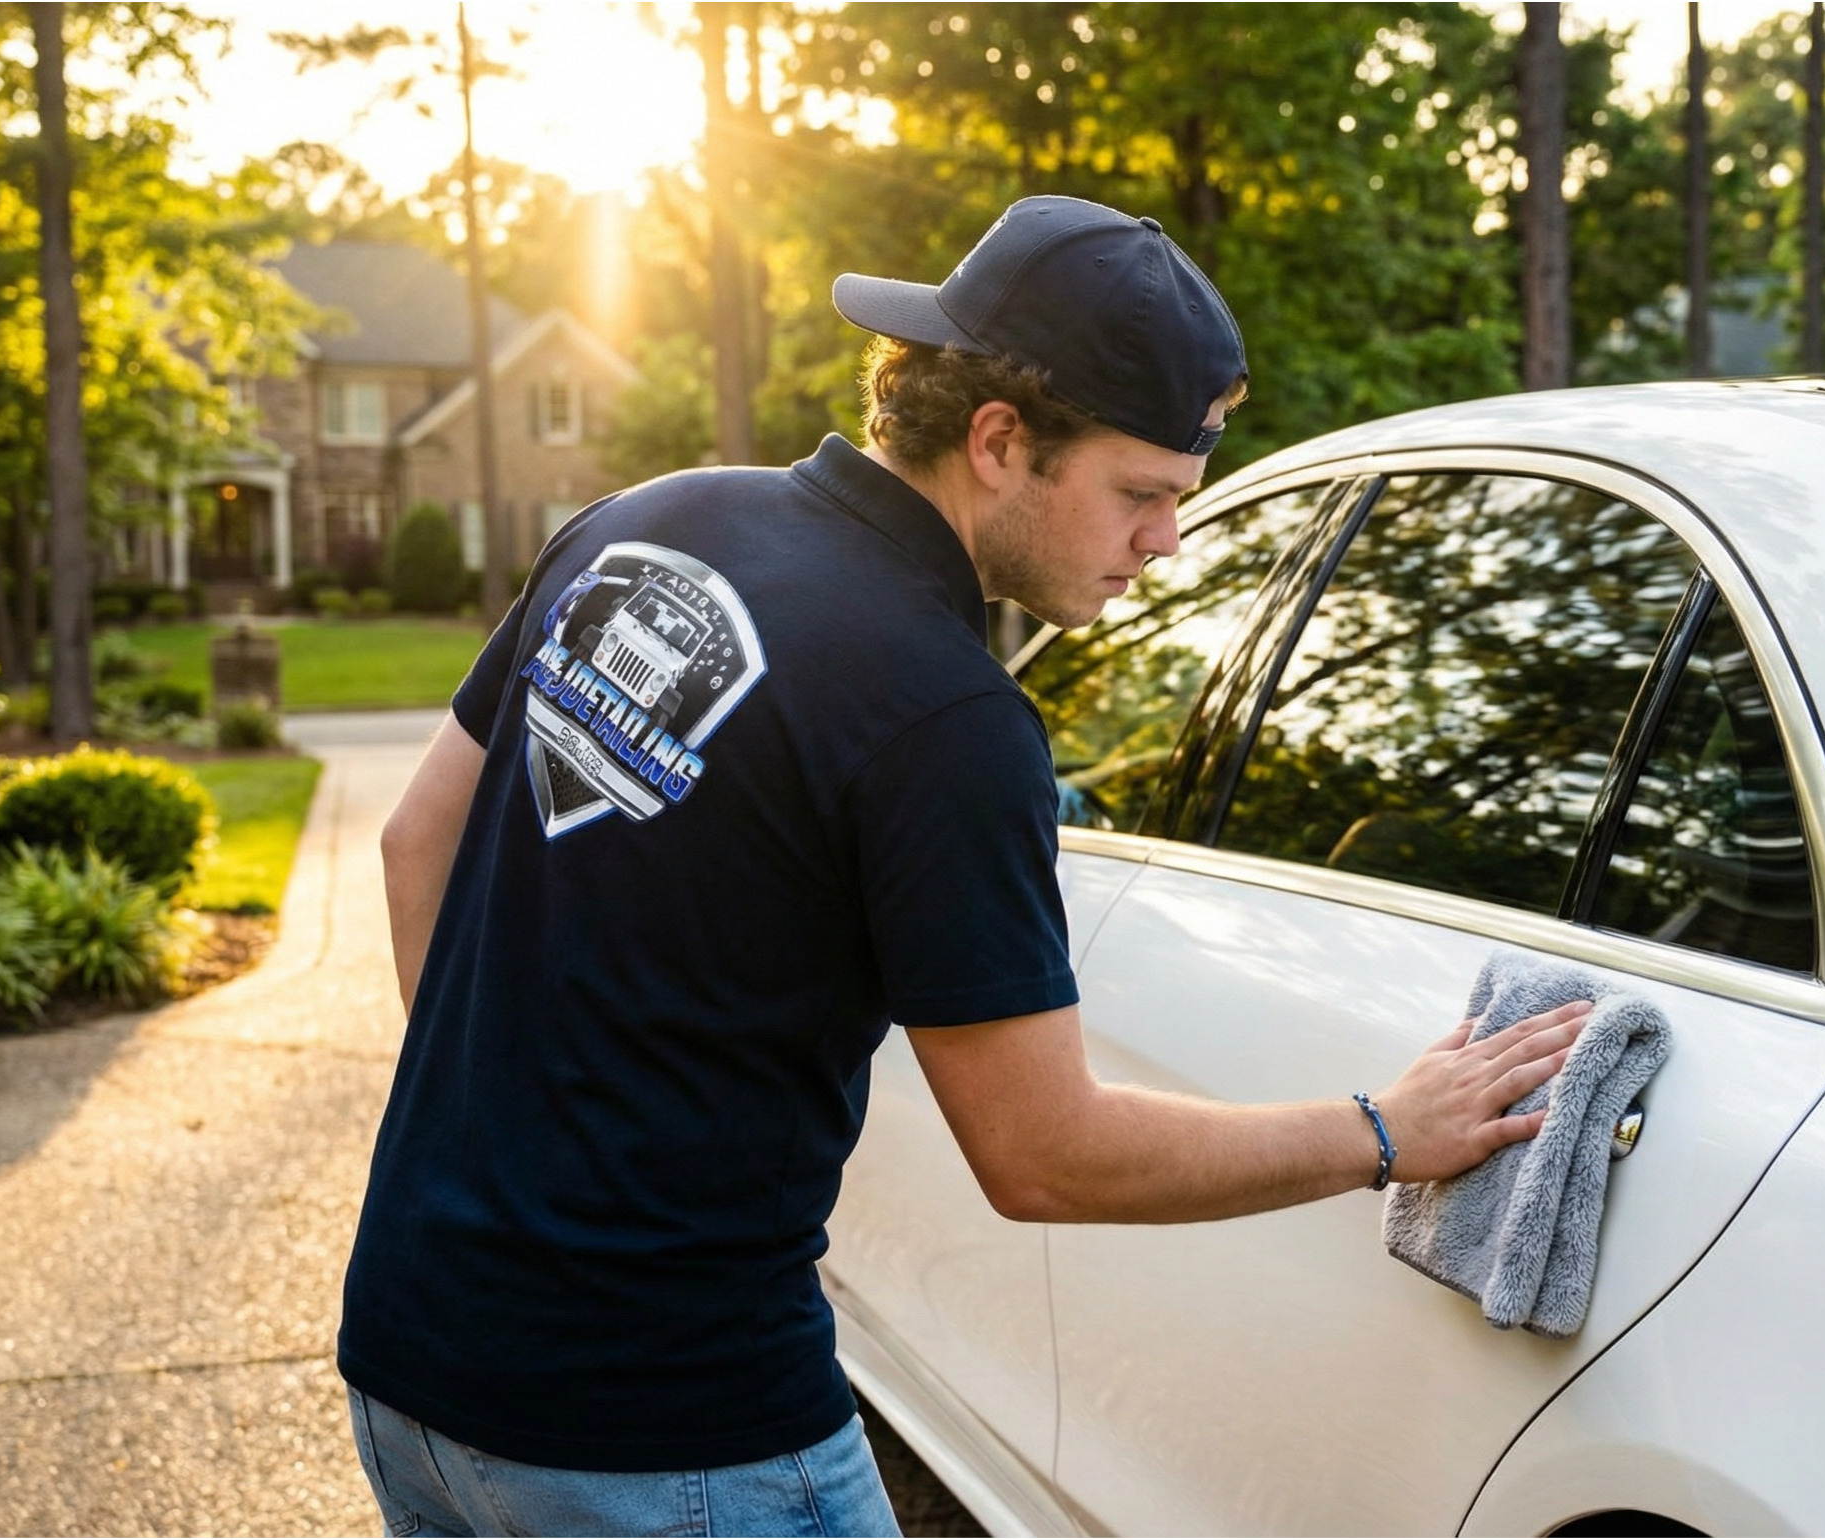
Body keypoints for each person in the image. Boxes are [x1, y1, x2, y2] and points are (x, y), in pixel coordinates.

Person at [339, 196, 1584, 1539]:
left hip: (412, 1359)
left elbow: (419, 843)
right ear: (999, 441)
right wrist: (1384, 1132)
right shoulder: (946, 716)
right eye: (1141, 493)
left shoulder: (649, 517)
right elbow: (1045, 1157)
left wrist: (513, 1166)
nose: (1166, 541)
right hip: (669, 1434)